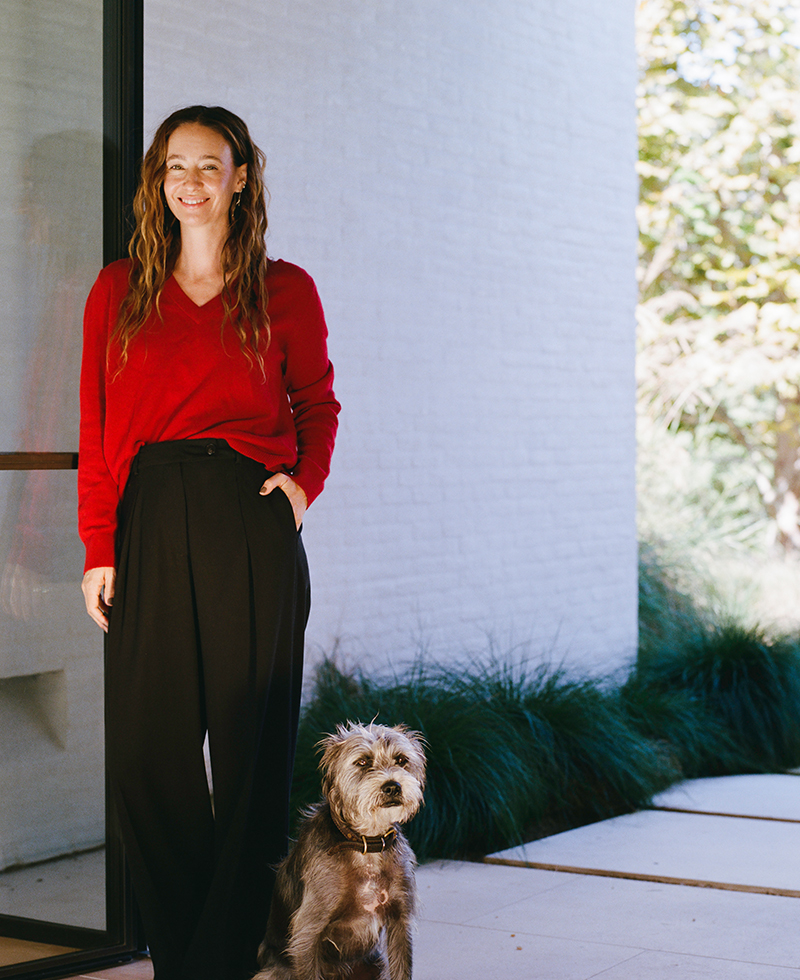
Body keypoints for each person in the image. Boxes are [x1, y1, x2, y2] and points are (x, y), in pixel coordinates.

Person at [78, 106, 340, 980]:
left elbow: (317, 404)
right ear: (160, 181)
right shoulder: (119, 290)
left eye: (209, 164)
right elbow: (99, 424)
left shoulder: (285, 288)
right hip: (148, 515)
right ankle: (193, 957)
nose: (191, 180)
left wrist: (303, 485)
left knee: (249, 753)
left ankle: (226, 960)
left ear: (239, 178)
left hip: (246, 520)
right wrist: (98, 546)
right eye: (175, 165)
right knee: (148, 755)